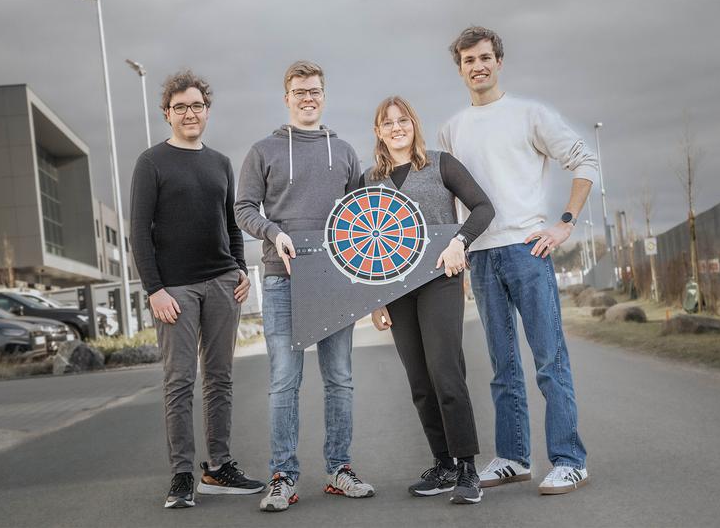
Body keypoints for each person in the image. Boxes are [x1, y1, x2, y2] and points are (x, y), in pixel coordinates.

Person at [438, 26, 597, 495]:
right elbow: (452, 201)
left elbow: (584, 161)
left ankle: (570, 460)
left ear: (498, 61)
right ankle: (512, 457)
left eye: (485, 57)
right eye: (469, 60)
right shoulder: (452, 129)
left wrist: (564, 223)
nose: (478, 66)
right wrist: (458, 249)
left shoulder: (530, 115)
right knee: (502, 366)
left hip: (529, 250)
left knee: (549, 360)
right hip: (482, 258)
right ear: (460, 68)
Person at [235, 60, 375, 512]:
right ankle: (284, 476)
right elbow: (243, 209)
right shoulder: (263, 151)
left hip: (337, 280)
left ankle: (339, 470)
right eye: (299, 91)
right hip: (281, 280)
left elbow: (363, 215)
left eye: (314, 90)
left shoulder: (347, 151)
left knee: (340, 379)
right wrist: (275, 234)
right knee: (283, 381)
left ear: (323, 94)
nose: (307, 97)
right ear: (287, 97)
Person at [130, 70, 264, 509]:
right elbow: (138, 233)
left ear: (207, 111)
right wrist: (155, 289)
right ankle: (183, 475)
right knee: (179, 381)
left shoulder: (221, 162)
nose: (190, 113)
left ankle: (219, 467)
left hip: (223, 284)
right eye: (180, 107)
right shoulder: (152, 162)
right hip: (176, 291)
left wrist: (239, 268)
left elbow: (231, 223)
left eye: (197, 106)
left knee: (221, 378)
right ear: (167, 113)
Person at [363, 96, 495, 504]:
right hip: (396, 289)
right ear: (379, 132)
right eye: (388, 123)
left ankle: (468, 469)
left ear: (414, 124)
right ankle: (443, 465)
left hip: (440, 280)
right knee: (419, 381)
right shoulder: (369, 180)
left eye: (403, 120)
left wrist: (460, 241)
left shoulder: (441, 164)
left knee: (446, 373)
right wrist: (374, 298)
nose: (397, 127)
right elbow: (362, 242)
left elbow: (483, 208)